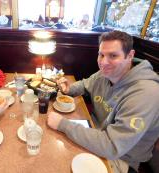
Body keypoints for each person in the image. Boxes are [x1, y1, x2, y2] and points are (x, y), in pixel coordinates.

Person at [47, 31, 159, 173]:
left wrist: (63, 124)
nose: (104, 62)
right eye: (101, 54)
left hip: (122, 159)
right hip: (95, 133)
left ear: (130, 55)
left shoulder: (146, 93)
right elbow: (85, 84)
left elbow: (112, 146)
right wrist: (69, 90)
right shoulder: (106, 73)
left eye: (113, 55)